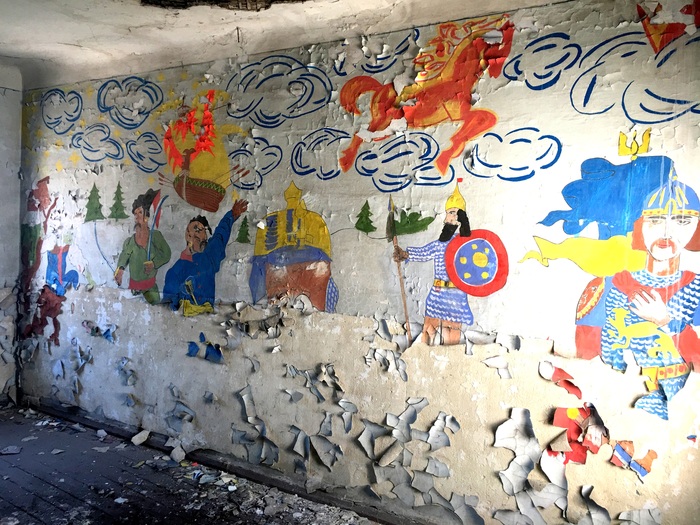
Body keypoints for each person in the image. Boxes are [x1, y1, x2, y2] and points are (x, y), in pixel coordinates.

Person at [592, 178, 700, 419]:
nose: (667, 232)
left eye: (682, 221)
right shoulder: (614, 285)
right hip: (623, 400)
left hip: (686, 407)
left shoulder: (697, 287)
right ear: (640, 225)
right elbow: (602, 353)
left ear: (696, 227)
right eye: (656, 220)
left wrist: (665, 321)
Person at [393, 185, 472, 345]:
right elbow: (425, 252)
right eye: (448, 213)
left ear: (460, 217)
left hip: (456, 296)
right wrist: (405, 254)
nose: (448, 218)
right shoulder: (439, 245)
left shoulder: (467, 245)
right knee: (428, 333)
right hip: (437, 294)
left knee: (452, 337)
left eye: (453, 213)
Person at [163, 199, 248, 315]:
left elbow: (219, 236)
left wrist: (232, 215)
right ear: (188, 235)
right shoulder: (175, 272)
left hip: (208, 320)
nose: (202, 235)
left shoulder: (209, 257)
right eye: (197, 230)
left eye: (204, 231)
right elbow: (168, 309)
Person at [115, 189, 171, 305]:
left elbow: (167, 254)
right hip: (134, 288)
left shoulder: (155, 237)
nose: (137, 217)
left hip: (150, 287)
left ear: (146, 216)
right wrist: (120, 269)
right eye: (135, 214)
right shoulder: (130, 241)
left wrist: (154, 263)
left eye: (140, 212)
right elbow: (124, 255)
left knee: (155, 307)